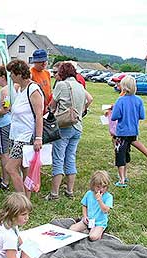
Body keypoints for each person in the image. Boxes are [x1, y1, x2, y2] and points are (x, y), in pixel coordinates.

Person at [46, 62, 87, 200]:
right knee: (70, 158)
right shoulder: (80, 86)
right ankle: (70, 191)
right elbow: (87, 101)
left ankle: (54, 193)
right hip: (78, 126)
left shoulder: (61, 85)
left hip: (64, 127)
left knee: (58, 159)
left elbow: (52, 106)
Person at [5, 59, 43, 197]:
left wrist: (38, 138)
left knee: (10, 167)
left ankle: (21, 199)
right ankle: (26, 199)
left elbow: (39, 115)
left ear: (19, 74)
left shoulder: (33, 89)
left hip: (25, 136)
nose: (10, 77)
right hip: (15, 134)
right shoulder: (21, 89)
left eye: (12, 74)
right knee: (23, 168)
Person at [111, 75, 146, 187]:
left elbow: (115, 116)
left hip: (121, 133)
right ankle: (125, 176)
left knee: (120, 155)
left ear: (123, 87)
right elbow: (142, 116)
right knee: (126, 154)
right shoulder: (139, 100)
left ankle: (121, 180)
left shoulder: (120, 100)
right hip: (133, 131)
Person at [69, 170, 113, 241]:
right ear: (93, 185)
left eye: (104, 187)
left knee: (93, 237)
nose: (101, 189)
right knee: (71, 229)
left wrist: (99, 200)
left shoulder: (108, 197)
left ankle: (99, 231)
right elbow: (84, 205)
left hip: (99, 223)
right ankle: (88, 229)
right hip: (88, 221)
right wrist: (85, 216)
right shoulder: (89, 193)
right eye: (98, 187)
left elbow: (105, 210)